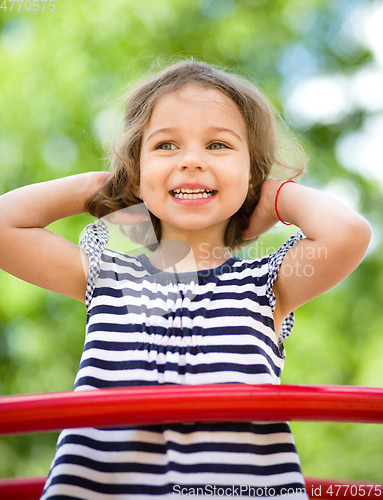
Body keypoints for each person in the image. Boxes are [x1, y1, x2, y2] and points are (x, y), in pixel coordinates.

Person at [0, 60, 371, 499]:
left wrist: (274, 194)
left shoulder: (264, 285)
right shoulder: (108, 276)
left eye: (217, 145)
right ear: (137, 172)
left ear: (251, 172)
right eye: (166, 146)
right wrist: (103, 188)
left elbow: (348, 234)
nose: (192, 161)